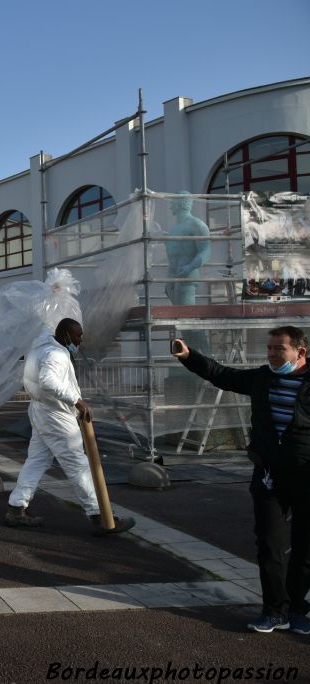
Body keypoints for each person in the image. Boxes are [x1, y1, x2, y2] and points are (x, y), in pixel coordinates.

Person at [172, 328, 310, 634]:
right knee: (269, 544)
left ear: (300, 353)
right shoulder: (262, 378)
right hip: (269, 476)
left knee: (305, 547)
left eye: (279, 349)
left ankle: (299, 609)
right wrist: (189, 357)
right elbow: (224, 375)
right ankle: (275, 611)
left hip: (306, 477)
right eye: (270, 348)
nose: (272, 354)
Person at [6, 318, 135, 535]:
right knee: (77, 463)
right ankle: (100, 516)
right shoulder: (55, 354)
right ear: (66, 335)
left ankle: (16, 508)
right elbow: (48, 381)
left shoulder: (42, 344)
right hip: (56, 415)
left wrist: (58, 293)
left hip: (41, 411)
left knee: (37, 460)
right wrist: (76, 399)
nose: (81, 339)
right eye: (78, 335)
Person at [164, 192, 211, 307]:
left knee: (185, 314)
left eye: (173, 202)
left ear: (181, 203)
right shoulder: (173, 228)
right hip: (172, 275)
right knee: (177, 314)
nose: (170, 206)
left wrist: (189, 268)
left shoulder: (196, 224)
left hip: (187, 274)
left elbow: (206, 251)